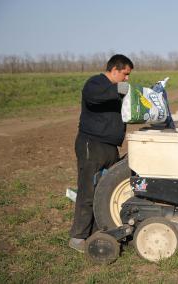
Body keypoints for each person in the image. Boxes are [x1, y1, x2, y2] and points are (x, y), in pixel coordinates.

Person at [69, 54, 133, 252]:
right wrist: (118, 90)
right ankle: (78, 237)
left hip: (110, 147)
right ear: (114, 70)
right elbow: (94, 97)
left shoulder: (115, 91)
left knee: (104, 190)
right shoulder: (95, 83)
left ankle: (99, 231)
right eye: (125, 74)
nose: (127, 79)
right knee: (88, 191)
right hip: (92, 144)